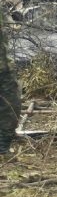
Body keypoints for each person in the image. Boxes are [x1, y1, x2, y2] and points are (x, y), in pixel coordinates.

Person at [0, 13, 21, 154]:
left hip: (4, 67)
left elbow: (14, 26)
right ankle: (3, 144)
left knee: (11, 103)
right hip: (3, 69)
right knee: (10, 104)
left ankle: (4, 142)